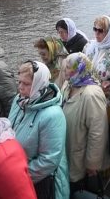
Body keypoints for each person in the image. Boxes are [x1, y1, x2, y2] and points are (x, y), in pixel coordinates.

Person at [8, 61, 69, 199]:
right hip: (18, 174)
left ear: (39, 84)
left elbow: (49, 160)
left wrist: (17, 176)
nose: (20, 88)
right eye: (19, 82)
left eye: (26, 84)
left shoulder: (53, 115)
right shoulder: (19, 101)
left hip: (42, 184)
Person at [60, 53, 109, 194]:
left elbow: (98, 132)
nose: (65, 71)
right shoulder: (68, 84)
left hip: (80, 159)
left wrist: (92, 164)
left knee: (79, 190)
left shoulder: (91, 94)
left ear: (80, 68)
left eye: (69, 68)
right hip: (68, 150)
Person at [84, 15, 110, 113]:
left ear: (109, 32)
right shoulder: (89, 46)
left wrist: (108, 84)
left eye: (101, 30)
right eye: (95, 29)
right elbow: (80, 64)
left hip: (104, 103)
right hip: (86, 97)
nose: (97, 33)